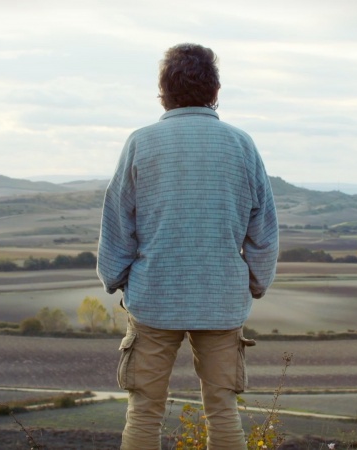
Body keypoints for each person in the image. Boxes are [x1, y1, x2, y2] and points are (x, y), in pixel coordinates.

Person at [97, 43, 279, 449]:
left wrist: (117, 279)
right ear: (215, 91)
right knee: (223, 410)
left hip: (154, 297)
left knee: (144, 411)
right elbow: (263, 229)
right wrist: (253, 282)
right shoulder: (241, 144)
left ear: (163, 91)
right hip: (221, 299)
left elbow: (118, 221)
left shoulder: (141, 142)